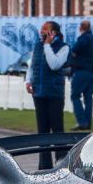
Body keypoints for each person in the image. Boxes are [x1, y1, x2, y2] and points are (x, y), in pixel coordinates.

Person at [26, 20, 69, 169]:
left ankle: (61, 162)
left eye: (46, 29)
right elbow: (32, 65)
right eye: (42, 28)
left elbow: (54, 64)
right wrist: (28, 81)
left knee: (57, 130)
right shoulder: (37, 46)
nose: (42, 31)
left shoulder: (63, 47)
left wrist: (47, 45)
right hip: (39, 93)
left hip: (54, 94)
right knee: (42, 131)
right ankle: (44, 165)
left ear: (53, 33)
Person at [69, 20, 93, 130]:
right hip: (92, 72)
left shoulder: (83, 39)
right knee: (88, 98)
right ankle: (88, 122)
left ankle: (82, 121)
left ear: (80, 28)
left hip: (81, 71)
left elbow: (74, 51)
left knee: (75, 96)